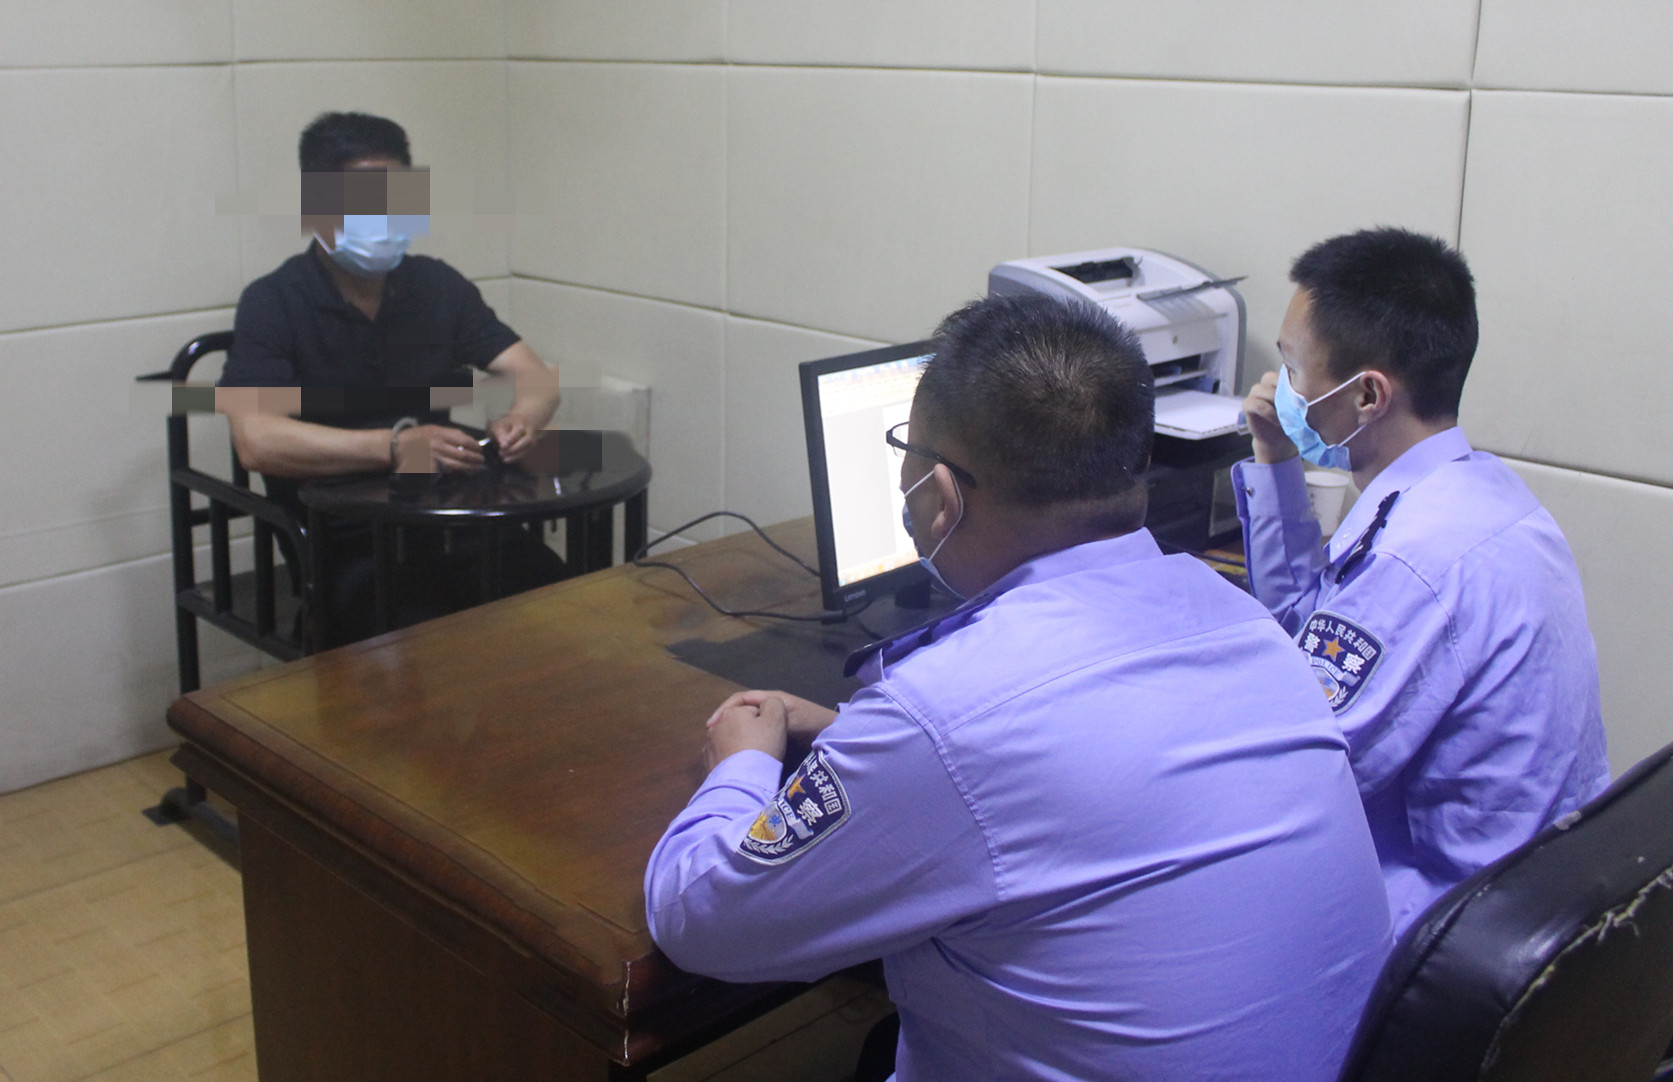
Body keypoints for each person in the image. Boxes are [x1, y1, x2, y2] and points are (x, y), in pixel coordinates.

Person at [645, 294, 1391, 1081]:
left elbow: (702, 919)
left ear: (939, 498)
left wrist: (743, 762)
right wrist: (862, 742)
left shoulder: (945, 717)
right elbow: (1067, 771)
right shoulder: (1246, 624)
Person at [1235, 227, 1611, 935]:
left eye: (1291, 367)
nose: (1278, 388)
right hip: (1540, 905)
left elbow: (1297, 776)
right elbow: (1307, 625)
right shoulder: (1485, 497)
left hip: (1445, 929)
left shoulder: (1417, 563)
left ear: (1366, 394)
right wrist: (1274, 455)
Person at [218, 111, 565, 644]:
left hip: (449, 518)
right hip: (344, 539)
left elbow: (536, 377)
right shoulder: (274, 302)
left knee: (560, 603)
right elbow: (256, 441)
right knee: (410, 644)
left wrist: (522, 420)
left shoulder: (436, 285)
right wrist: (395, 446)